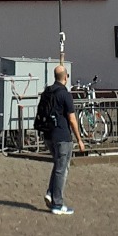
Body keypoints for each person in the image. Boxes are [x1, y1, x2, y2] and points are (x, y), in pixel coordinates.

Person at [43, 64, 85, 215]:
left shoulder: (48, 92)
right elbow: (72, 119)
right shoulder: (65, 94)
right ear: (66, 77)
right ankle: (57, 204)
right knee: (62, 169)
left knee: (58, 165)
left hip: (49, 135)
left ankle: (50, 192)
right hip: (62, 136)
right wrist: (79, 139)